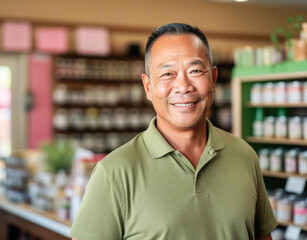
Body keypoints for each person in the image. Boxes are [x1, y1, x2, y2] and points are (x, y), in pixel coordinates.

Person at [70, 22, 277, 240]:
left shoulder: (244, 155)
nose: (184, 86)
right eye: (168, 74)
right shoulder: (113, 173)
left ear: (214, 79)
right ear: (148, 87)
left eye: (195, 71)